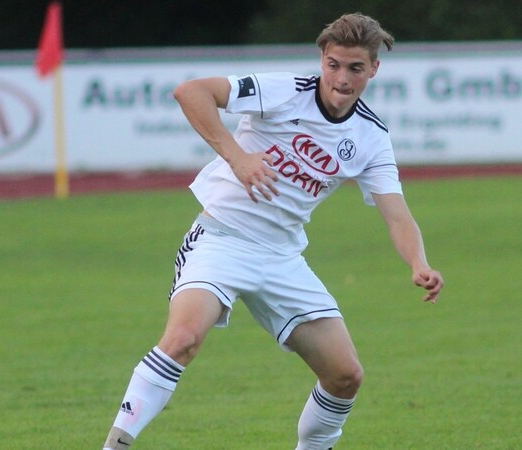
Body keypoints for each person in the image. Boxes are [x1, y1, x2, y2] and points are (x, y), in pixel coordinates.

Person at [102, 13, 444, 449]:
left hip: (281, 257)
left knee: (345, 376)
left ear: (373, 69)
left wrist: (419, 262)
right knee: (183, 339)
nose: (342, 78)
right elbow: (191, 92)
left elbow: (397, 214)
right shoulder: (285, 91)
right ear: (322, 58)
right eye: (334, 64)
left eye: (355, 68)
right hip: (221, 239)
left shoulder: (371, 137)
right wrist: (237, 157)